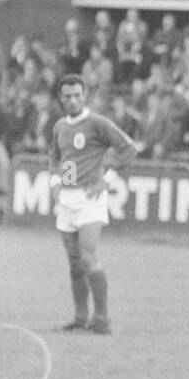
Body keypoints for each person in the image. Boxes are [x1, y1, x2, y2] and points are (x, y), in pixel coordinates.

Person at [49, 74, 138, 334]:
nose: (73, 100)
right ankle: (79, 318)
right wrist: (55, 181)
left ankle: (101, 320)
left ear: (84, 95)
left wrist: (106, 180)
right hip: (66, 199)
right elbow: (54, 155)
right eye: (68, 96)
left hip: (90, 200)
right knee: (74, 262)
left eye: (78, 95)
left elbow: (129, 148)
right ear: (61, 98)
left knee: (88, 257)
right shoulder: (60, 127)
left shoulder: (97, 123)